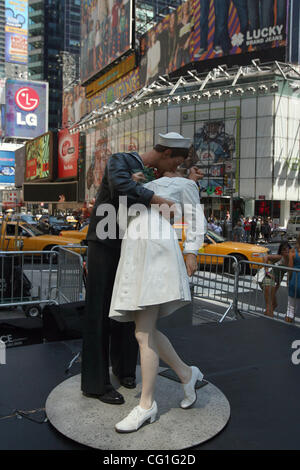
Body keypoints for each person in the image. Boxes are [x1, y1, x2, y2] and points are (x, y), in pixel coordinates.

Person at [81, 132, 197, 405]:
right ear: (167, 153)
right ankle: (95, 384)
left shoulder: (152, 176)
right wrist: (157, 199)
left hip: (131, 246)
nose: (177, 168)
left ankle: (125, 371)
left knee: (130, 310)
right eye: (177, 161)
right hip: (105, 243)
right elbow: (122, 186)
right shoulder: (119, 160)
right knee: (99, 312)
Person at [109, 165, 206, 433]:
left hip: (158, 255)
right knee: (147, 331)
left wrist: (192, 251)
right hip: (137, 254)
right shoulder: (141, 186)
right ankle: (187, 374)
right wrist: (131, 190)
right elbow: (121, 222)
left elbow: (196, 219)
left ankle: (147, 405)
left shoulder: (185, 185)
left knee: (143, 334)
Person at [260, 241, 290, 318]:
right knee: (270, 305)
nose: (286, 251)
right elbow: (265, 257)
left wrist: (278, 284)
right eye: (284, 249)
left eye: (288, 249)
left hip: (274, 282)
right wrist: (267, 271)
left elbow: (282, 273)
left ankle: (265, 318)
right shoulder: (280, 257)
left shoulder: (290, 260)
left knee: (274, 304)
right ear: (281, 251)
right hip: (268, 279)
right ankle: (269, 320)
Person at [285, 234, 300, 323]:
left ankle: (287, 330)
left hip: (295, 279)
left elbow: (290, 268)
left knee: (290, 308)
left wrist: (288, 280)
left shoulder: (293, 251)